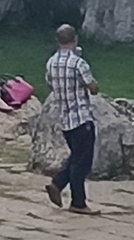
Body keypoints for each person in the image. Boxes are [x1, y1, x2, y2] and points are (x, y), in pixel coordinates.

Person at [44, 24, 100, 215]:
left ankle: (58, 184)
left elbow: (50, 82)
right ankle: (78, 201)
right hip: (81, 117)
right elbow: (92, 87)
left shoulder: (51, 63)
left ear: (57, 41)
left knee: (76, 157)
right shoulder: (78, 63)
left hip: (65, 118)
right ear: (75, 39)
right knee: (82, 162)